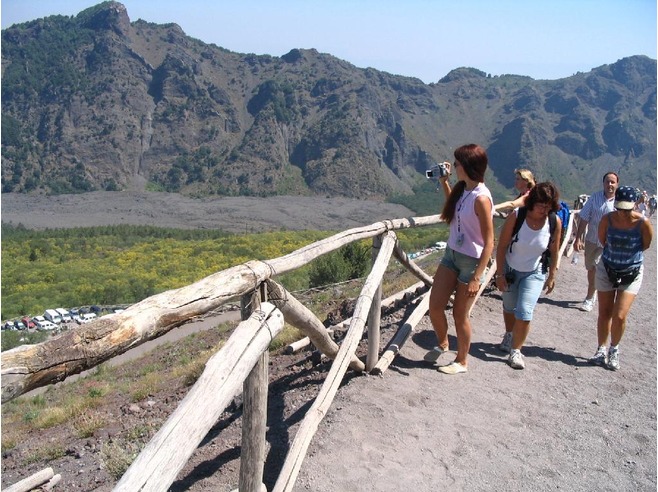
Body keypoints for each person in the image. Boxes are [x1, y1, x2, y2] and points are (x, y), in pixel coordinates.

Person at [425, 144, 494, 374]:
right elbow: (455, 211)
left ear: (467, 166)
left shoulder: (482, 198)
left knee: (459, 314)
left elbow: (489, 241)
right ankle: (443, 343)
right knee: (435, 306)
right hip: (452, 254)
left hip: (471, 261)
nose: (454, 167)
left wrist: (477, 277)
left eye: (457, 164)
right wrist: (445, 182)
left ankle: (462, 361)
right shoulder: (464, 189)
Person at [495, 182, 562, 369]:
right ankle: (509, 334)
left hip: (535, 271)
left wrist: (552, 275)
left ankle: (516, 351)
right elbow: (501, 247)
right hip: (510, 269)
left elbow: (554, 250)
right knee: (509, 306)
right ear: (532, 202)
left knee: (524, 311)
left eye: (548, 206)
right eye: (541, 205)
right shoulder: (517, 217)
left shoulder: (553, 221)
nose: (544, 209)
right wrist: (500, 274)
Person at [588, 186, 653, 370]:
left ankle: (614, 349)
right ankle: (601, 349)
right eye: (620, 208)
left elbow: (645, 244)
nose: (623, 213)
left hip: (631, 272)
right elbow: (602, 240)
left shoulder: (643, 223)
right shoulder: (607, 220)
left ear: (634, 205)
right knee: (605, 313)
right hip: (607, 268)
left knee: (620, 315)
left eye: (627, 209)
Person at [573, 172, 619, 312]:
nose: (610, 185)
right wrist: (578, 238)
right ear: (603, 183)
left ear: (617, 184)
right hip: (592, 240)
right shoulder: (595, 197)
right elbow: (585, 217)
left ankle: (589, 297)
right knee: (590, 268)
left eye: (612, 182)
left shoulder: (619, 202)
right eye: (607, 182)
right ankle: (593, 293)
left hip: (608, 243)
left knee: (598, 267)